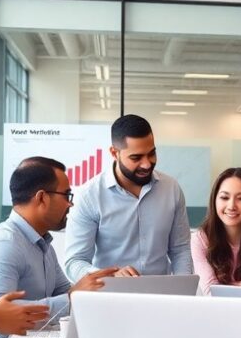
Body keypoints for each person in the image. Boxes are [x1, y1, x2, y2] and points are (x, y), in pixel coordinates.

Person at [0, 157, 117, 338]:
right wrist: (73, 298)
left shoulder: (42, 244)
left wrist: (104, 287)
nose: (71, 203)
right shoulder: (5, 243)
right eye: (66, 195)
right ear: (42, 197)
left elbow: (67, 293)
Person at [64, 114, 192, 280]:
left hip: (160, 298)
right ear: (114, 153)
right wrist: (110, 275)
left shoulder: (171, 188)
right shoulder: (89, 196)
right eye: (136, 157)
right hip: (109, 297)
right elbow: (75, 262)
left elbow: (180, 249)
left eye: (151, 153)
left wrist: (182, 289)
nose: (147, 164)